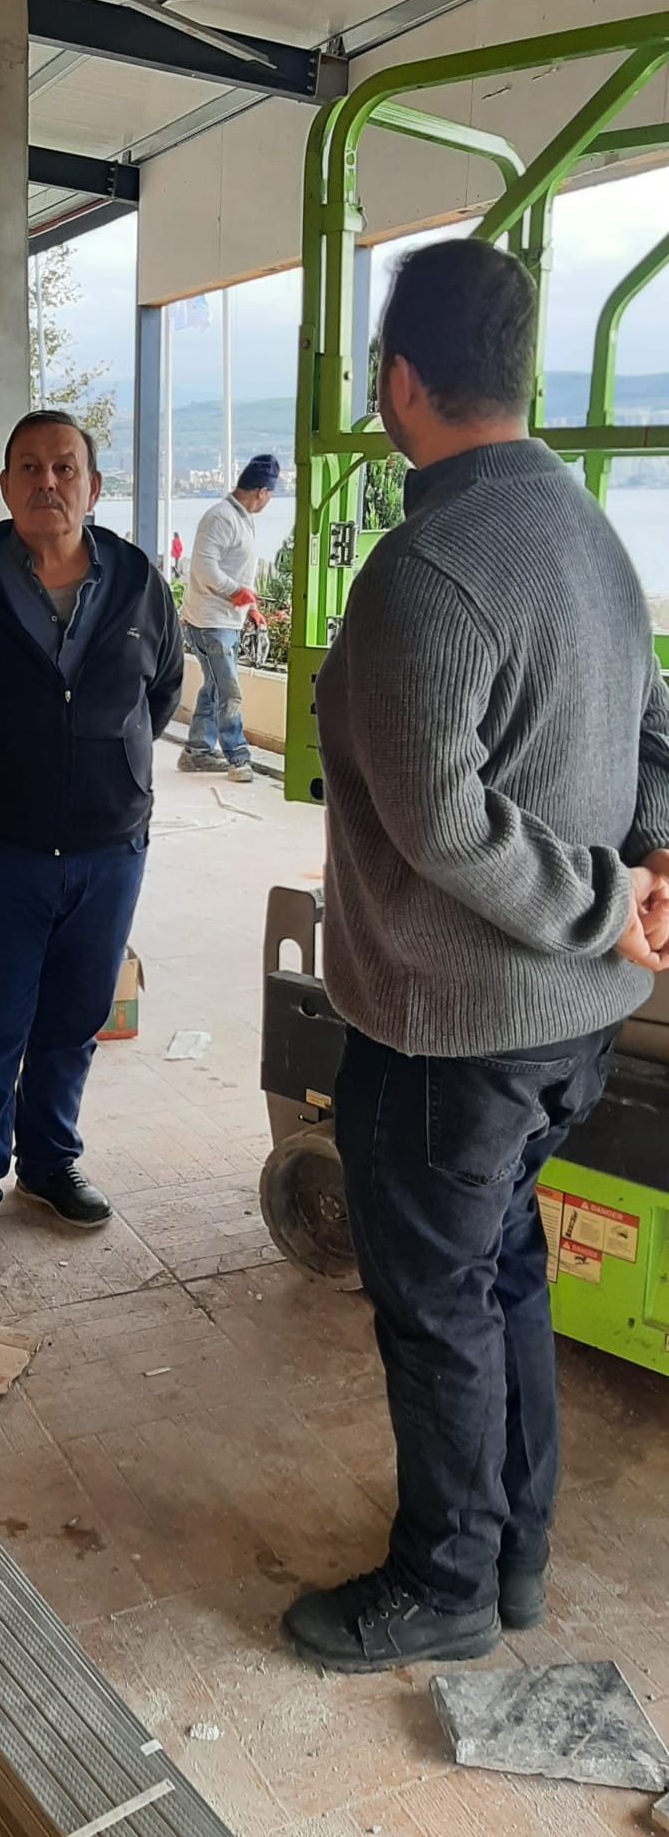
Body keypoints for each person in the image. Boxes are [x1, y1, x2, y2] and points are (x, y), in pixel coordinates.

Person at [282, 238, 669, 1675]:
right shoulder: (589, 528)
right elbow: (656, 729)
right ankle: (510, 1554)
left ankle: (443, 1580)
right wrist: (648, 869)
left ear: (399, 382)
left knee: (436, 1308)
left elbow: (443, 823)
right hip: (572, 1021)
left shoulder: (424, 571)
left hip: (454, 1030)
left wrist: (605, 897)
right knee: (502, 1270)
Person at [0, 410, 183, 1276]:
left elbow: (161, 691)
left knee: (74, 1020)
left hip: (110, 851)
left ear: (94, 486)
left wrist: (113, 775)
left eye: (65, 467)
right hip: (1, 853)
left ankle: (49, 1161)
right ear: (5, 487)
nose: (47, 483)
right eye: (29, 468)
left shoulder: (138, 584)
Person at [177, 453, 279, 783]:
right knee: (229, 691)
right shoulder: (220, 518)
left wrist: (251, 608)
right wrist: (236, 593)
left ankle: (197, 751)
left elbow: (239, 570)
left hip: (225, 620)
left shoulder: (241, 518)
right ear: (262, 491)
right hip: (210, 622)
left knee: (214, 687)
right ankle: (238, 758)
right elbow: (204, 567)